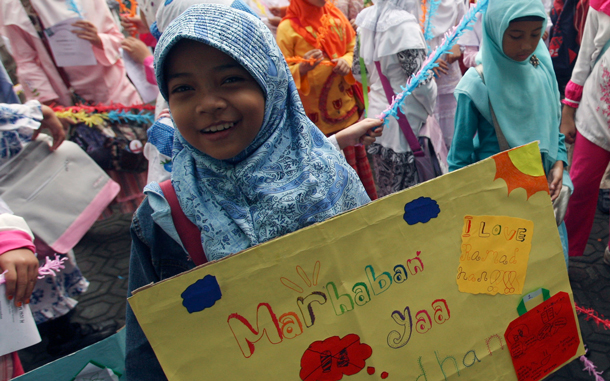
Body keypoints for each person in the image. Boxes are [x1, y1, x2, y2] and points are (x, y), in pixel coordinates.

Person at [125, 5, 383, 379]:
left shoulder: (329, 176)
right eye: (183, 88)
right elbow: (146, 355)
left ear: (271, 81)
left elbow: (384, 279)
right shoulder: (164, 217)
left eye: (230, 80)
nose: (208, 104)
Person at [447, 0, 570, 260]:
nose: (526, 45)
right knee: (506, 279)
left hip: (544, 196)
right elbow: (459, 159)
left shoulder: (540, 65)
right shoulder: (478, 83)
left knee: (547, 277)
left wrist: (559, 162)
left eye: (536, 35)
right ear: (494, 29)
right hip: (498, 204)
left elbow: (552, 123)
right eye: (515, 36)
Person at [353, 0, 437, 196]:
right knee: (413, 196)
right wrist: (431, 107)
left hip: (376, 118)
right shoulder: (404, 25)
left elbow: (358, 72)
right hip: (406, 122)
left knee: (388, 190)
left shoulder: (365, 21)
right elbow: (421, 84)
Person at [0, 0, 141, 106]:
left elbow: (117, 39)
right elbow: (25, 60)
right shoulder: (14, 5)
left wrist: (98, 40)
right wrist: (50, 104)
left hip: (118, 94)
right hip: (70, 105)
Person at [560, 0, 610, 260]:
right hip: (595, 115)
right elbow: (585, 56)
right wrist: (568, 110)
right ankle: (564, 254)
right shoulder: (600, 5)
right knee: (578, 187)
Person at [425, 0, 467, 149]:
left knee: (455, 135)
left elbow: (466, 26)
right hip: (423, 82)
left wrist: (458, 45)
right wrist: (426, 59)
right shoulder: (411, 3)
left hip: (449, 77)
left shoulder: (456, 2)